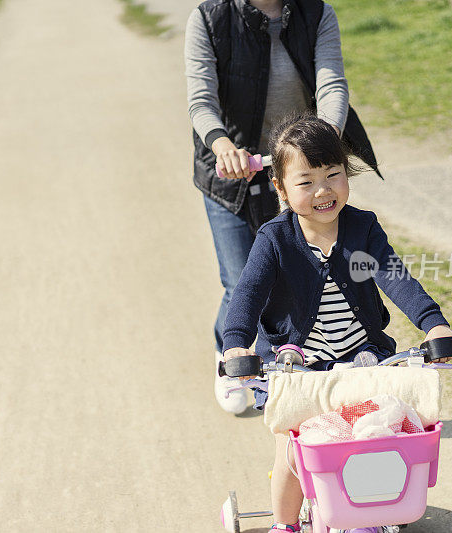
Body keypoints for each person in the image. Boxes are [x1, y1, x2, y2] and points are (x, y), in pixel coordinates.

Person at [221, 115, 452, 532]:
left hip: (362, 356)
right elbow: (247, 295)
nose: (323, 191)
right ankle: (285, 524)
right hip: (298, 365)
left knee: (375, 436)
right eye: (306, 181)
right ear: (280, 187)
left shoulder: (362, 228)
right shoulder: (274, 239)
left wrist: (433, 325)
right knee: (292, 452)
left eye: (333, 175)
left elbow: (394, 276)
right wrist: (237, 343)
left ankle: (374, 508)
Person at [184, 0, 382, 414]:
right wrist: (222, 145)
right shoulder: (210, 19)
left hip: (301, 171)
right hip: (230, 169)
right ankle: (231, 355)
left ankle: (291, 357)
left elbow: (332, 85)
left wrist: (323, 142)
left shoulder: (316, 13)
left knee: (302, 269)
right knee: (242, 279)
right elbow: (202, 100)